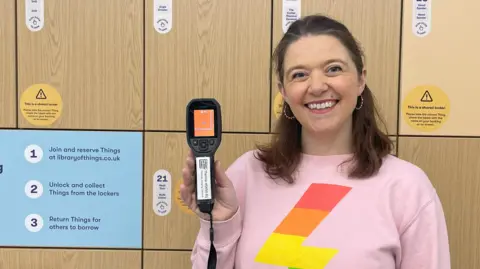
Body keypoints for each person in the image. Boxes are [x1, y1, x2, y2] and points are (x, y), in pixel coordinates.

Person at [180, 14, 451, 269]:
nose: (318, 85)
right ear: (284, 92)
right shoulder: (246, 175)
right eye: (299, 74)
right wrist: (218, 224)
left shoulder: (407, 187)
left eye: (333, 69)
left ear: (360, 80)